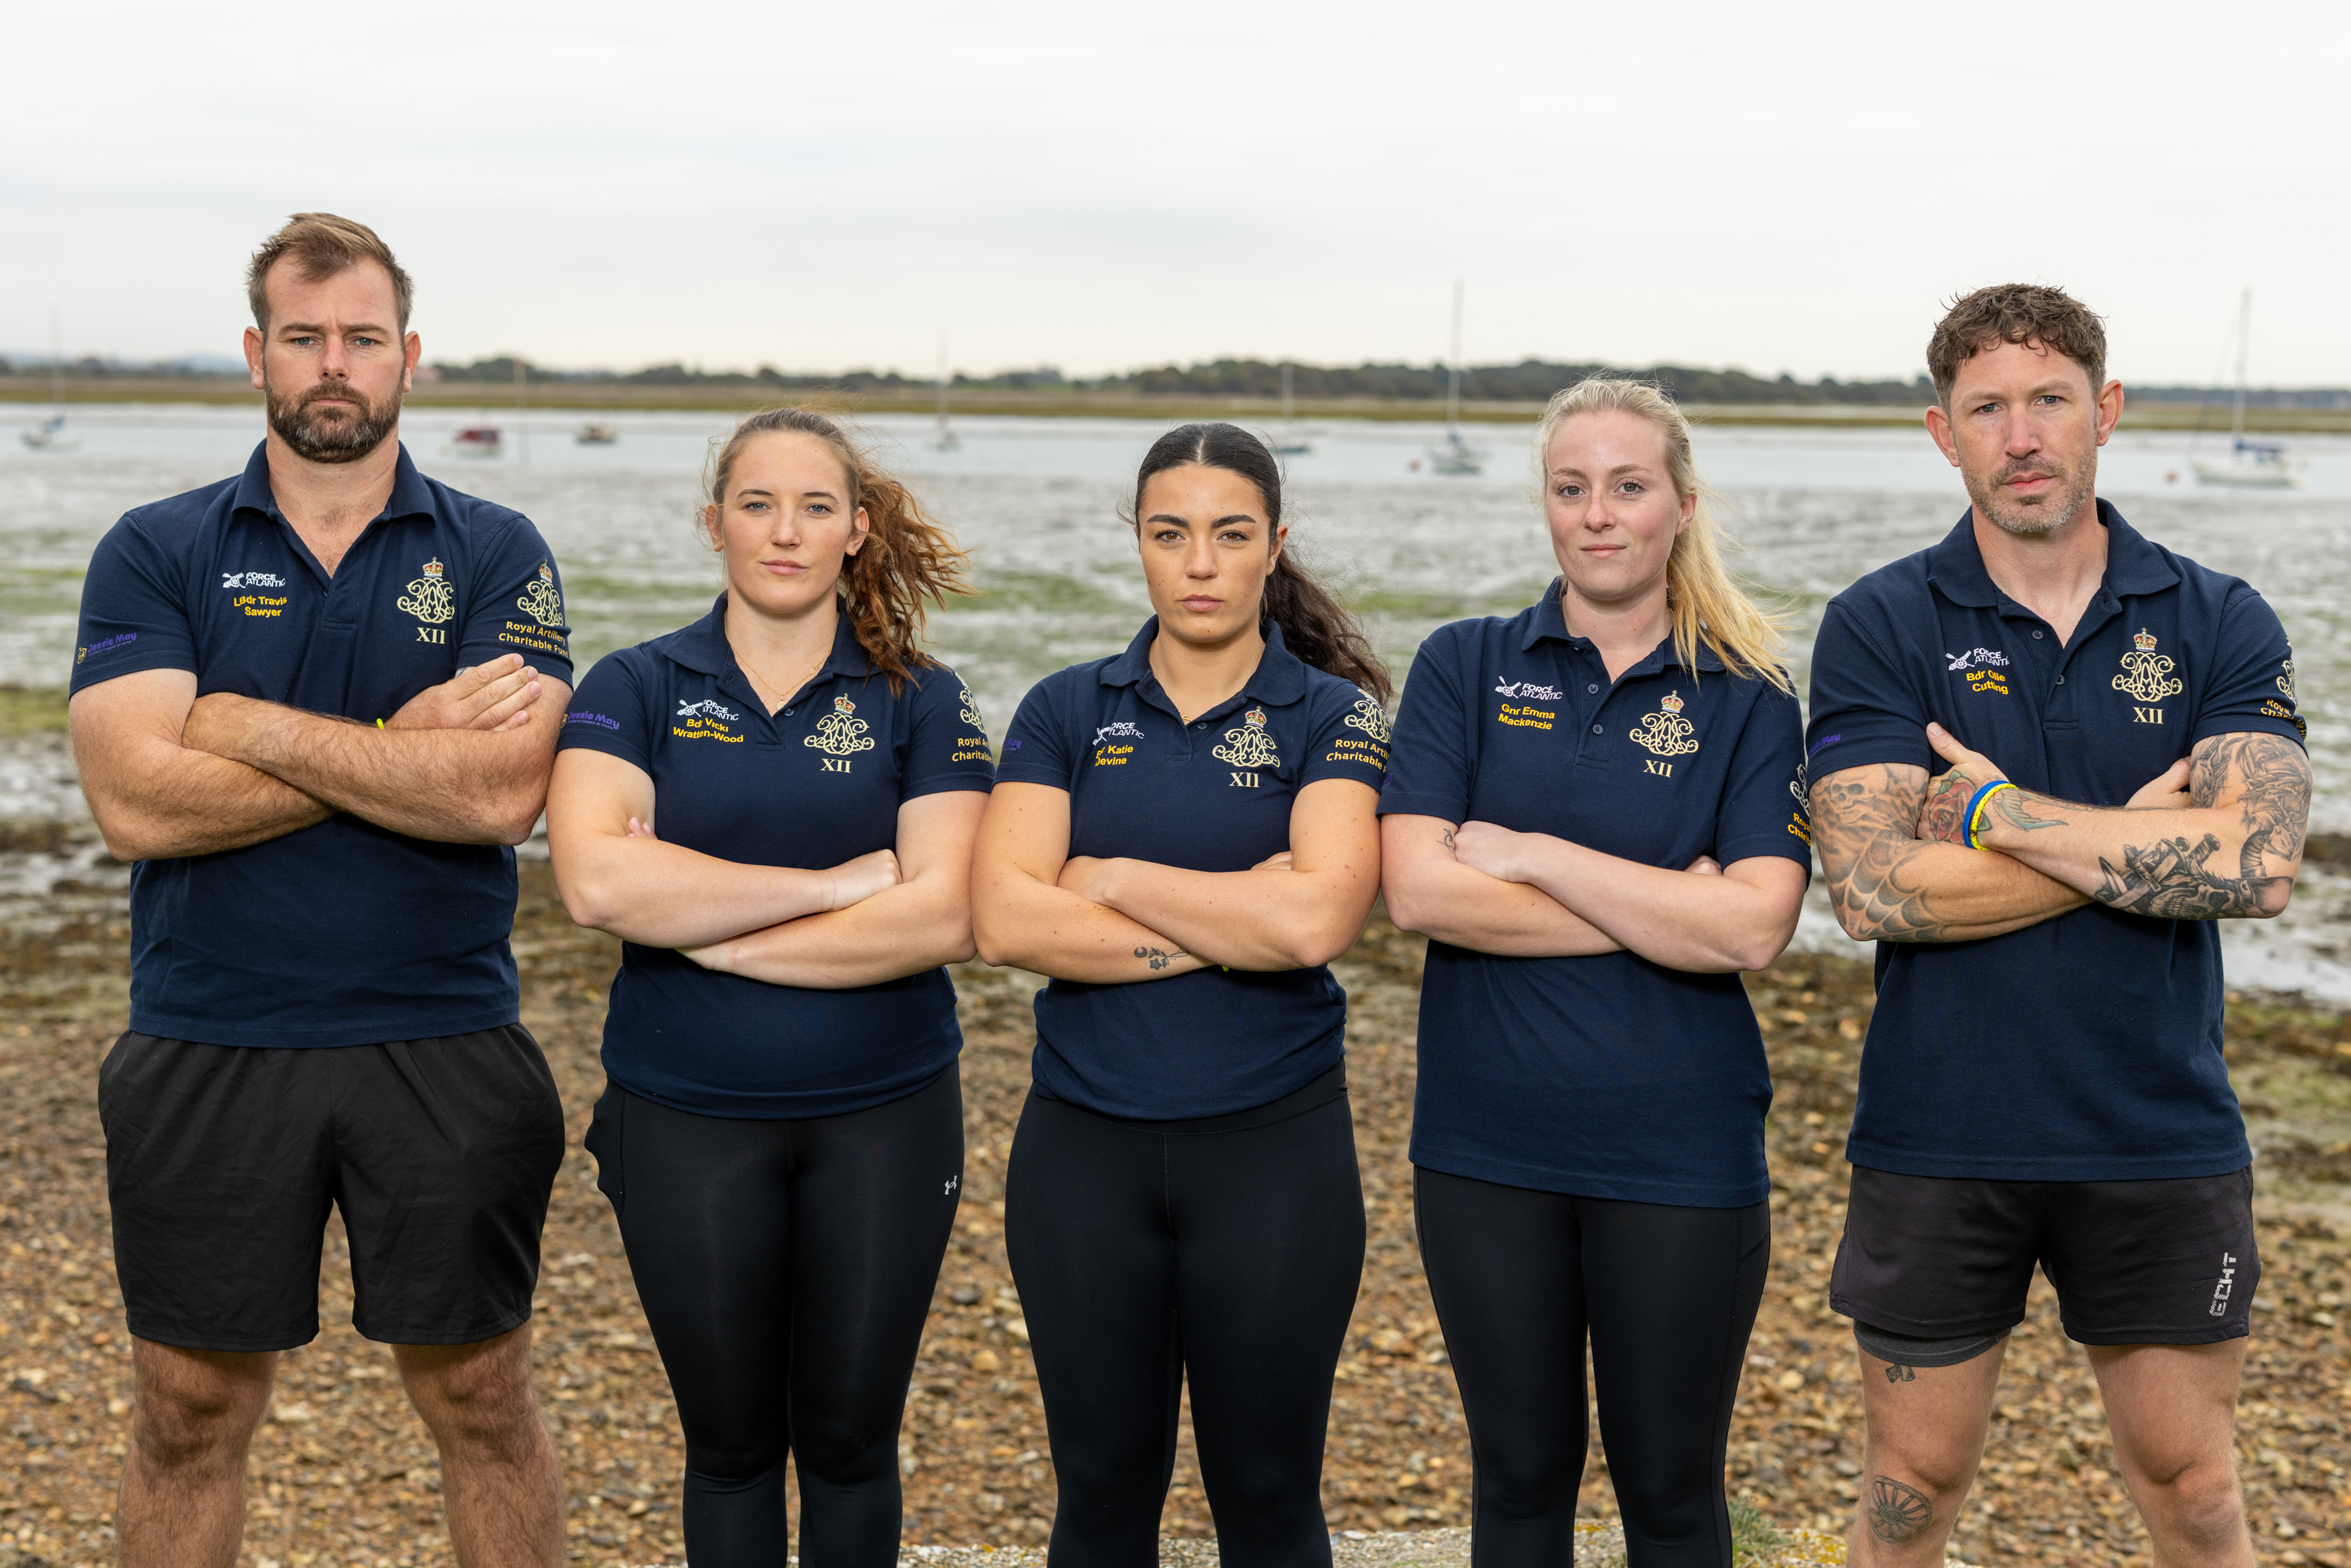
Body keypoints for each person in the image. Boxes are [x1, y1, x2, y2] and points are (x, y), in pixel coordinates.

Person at [69, 213, 574, 1568]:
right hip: (208, 1029)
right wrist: (404, 741)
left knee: (482, 1398)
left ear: (409, 354)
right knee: (187, 1409)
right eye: (304, 337)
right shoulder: (154, 547)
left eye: (361, 336)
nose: (334, 364)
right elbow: (133, 804)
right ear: (257, 355)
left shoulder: (498, 548)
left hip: (443, 1029)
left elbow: (499, 794)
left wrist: (241, 724)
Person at [1806, 284, 2308, 1568]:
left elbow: (2258, 863)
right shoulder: (1880, 622)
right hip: (1938, 1130)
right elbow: (1869, 890)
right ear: (1944, 433)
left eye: (2049, 400)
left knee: (2196, 1489)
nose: (2021, 436)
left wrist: (1999, 813)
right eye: (1987, 409)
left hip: (2159, 1129)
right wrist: (2135, 840)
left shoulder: (2217, 616)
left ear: (2106, 410)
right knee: (1909, 1486)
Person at [545, 407, 991, 1566]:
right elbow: (596, 882)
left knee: (851, 1444)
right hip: (683, 1117)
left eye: (814, 507)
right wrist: (836, 887)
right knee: (731, 1446)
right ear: (715, 524)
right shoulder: (633, 683)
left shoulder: (924, 699)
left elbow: (946, 913)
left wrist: (709, 928)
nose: (784, 532)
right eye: (757, 504)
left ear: (856, 530)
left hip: (886, 1116)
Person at [1378, 378, 1811, 1567]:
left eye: (1628, 486)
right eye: (1572, 488)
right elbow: (1418, 892)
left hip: (1680, 1151)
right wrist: (1669, 903)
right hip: (1483, 1150)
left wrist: (1535, 855)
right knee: (1519, 1479)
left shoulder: (1749, 695)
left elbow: (1753, 931)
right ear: (1546, 504)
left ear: (1681, 505)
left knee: (1669, 1491)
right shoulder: (1464, 664)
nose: (1599, 514)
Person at [970, 422, 1390, 1568]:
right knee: (1102, 1496)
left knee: (1268, 1496)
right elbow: (1005, 921)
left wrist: (1110, 878)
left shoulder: (1333, 715)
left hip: (1275, 1157)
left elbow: (1313, 923)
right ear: (1140, 543)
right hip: (1081, 1158)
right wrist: (1232, 922)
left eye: (1230, 534)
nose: (1200, 563)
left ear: (1275, 545)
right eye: (1171, 534)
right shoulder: (1063, 708)